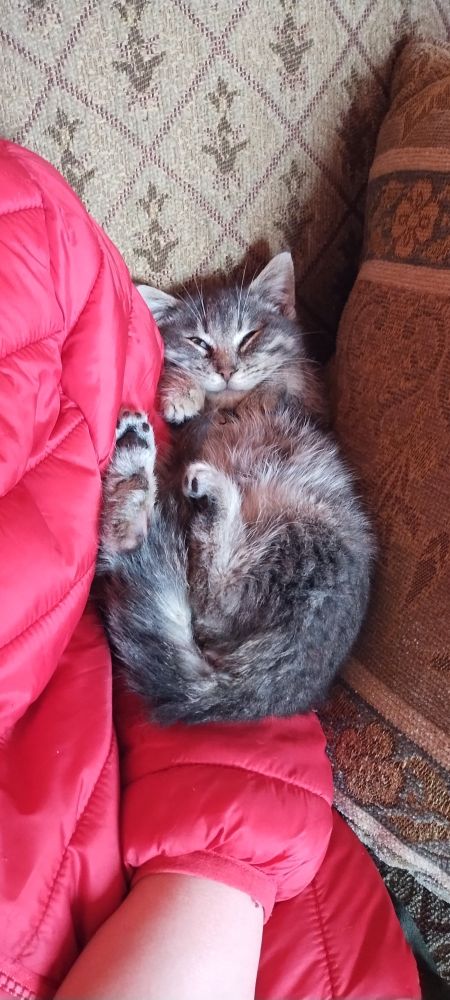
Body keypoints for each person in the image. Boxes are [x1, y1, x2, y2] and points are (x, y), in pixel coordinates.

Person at [0, 138, 420, 1000]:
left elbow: (280, 397)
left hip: (253, 614)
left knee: (257, 545)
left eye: (246, 342)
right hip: (242, 763)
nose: (225, 363)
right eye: (201, 350)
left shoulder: (287, 389)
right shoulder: (177, 398)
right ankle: (181, 561)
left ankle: (180, 560)